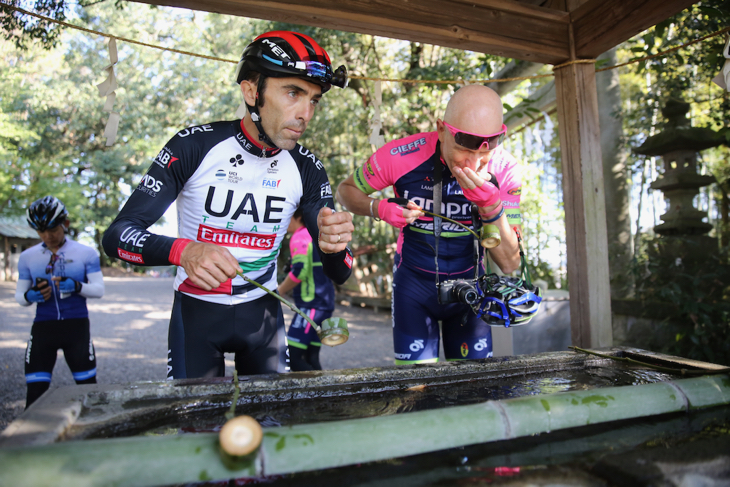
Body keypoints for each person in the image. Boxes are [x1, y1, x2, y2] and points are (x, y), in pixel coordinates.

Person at [102, 31, 354, 380]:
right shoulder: (193, 146)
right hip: (196, 312)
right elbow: (116, 236)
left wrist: (334, 245)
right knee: (196, 427)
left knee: (267, 428)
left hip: (262, 317)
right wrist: (183, 251)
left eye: (314, 100)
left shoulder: (307, 167)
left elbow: (340, 271)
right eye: (293, 93)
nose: (305, 114)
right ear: (252, 91)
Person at [337, 85, 522, 365]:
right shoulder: (401, 155)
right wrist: (379, 207)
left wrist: (492, 208)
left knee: (473, 394)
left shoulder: (505, 170)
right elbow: (345, 190)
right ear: (442, 129)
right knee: (416, 395)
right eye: (463, 148)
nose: (473, 164)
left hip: (470, 294)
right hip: (414, 290)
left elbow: (509, 263)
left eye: (485, 152)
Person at [15, 196, 105, 408]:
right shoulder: (27, 257)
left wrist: (77, 286)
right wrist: (29, 296)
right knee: (35, 392)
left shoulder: (86, 253)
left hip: (76, 327)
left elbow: (99, 290)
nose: (47, 236)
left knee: (87, 388)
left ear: (65, 224)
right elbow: (20, 296)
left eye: (53, 229)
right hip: (43, 327)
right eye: (41, 231)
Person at [277, 208, 335, 371]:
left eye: (288, 216)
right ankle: (326, 395)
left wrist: (279, 291)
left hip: (311, 305)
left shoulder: (300, 236)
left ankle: (325, 394)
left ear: (299, 216)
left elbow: (300, 270)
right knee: (311, 357)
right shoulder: (315, 235)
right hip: (324, 304)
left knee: (293, 358)